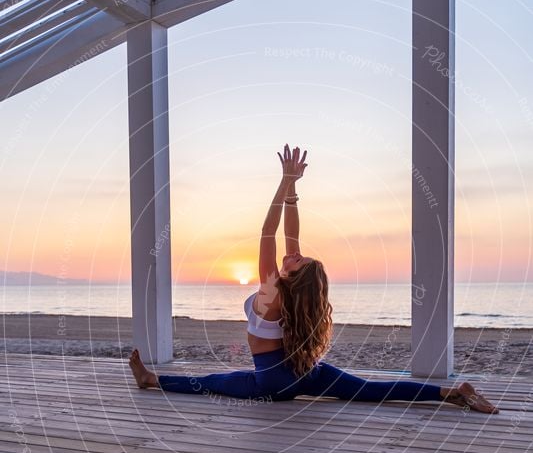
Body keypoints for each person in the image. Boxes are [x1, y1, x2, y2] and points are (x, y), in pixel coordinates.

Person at [129, 144, 498, 414]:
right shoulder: (295, 294)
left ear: (294, 275)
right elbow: (289, 236)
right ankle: (449, 392)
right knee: (369, 389)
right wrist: (293, 193)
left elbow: (266, 234)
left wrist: (283, 180)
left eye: (298, 259)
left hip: (273, 384)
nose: (294, 253)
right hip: (305, 373)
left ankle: (151, 380)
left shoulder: (272, 291)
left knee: (212, 381)